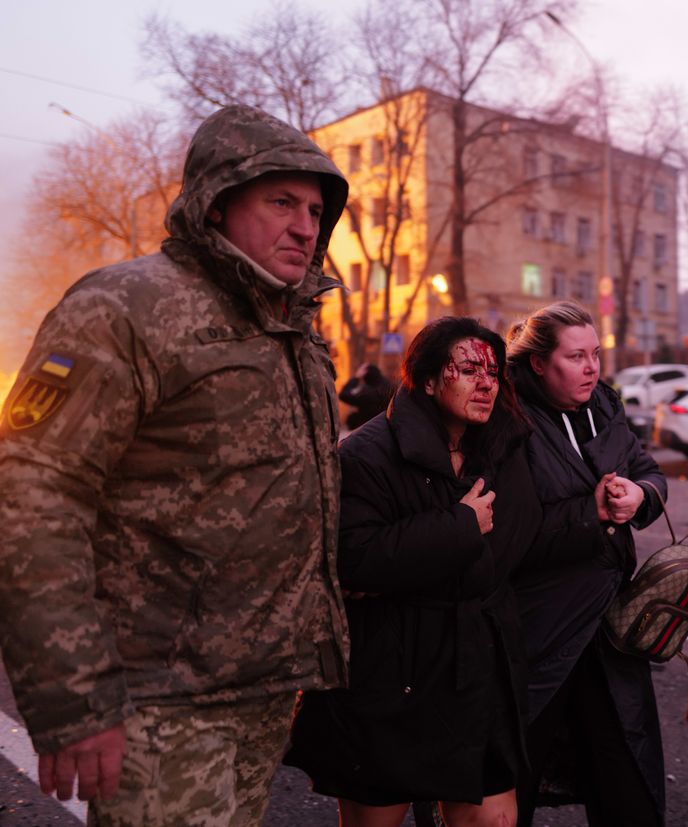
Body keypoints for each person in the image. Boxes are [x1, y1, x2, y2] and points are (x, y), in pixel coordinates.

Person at [0, 104, 350, 826]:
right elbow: (34, 497)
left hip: (261, 689)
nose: (305, 226)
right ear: (218, 203)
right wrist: (74, 697)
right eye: (280, 201)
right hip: (157, 701)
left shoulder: (292, 328)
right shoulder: (127, 306)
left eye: (315, 209)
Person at [284, 317, 539, 827]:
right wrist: (460, 528)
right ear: (426, 378)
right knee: (377, 818)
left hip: (476, 667)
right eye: (468, 369)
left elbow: (514, 543)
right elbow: (353, 557)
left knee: (494, 818)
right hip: (391, 673)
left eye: (493, 372)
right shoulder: (367, 453)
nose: (486, 383)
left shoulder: (500, 446)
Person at [506, 301, 669, 827]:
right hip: (542, 630)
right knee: (512, 781)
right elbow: (507, 534)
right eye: (576, 357)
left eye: (596, 354)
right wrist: (592, 512)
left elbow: (650, 472)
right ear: (537, 363)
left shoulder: (603, 404)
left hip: (609, 622)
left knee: (627, 773)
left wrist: (639, 497)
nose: (592, 367)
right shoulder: (506, 421)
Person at [340, 362, 395, 431]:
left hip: (366, 430)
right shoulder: (389, 388)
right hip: (385, 429)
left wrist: (356, 378)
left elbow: (343, 395)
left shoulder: (366, 394)